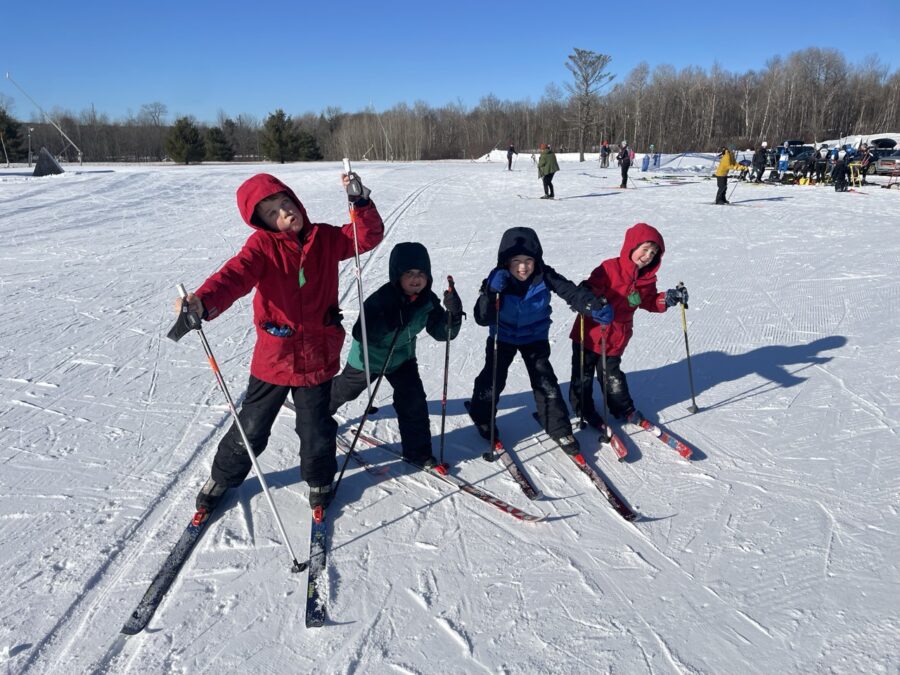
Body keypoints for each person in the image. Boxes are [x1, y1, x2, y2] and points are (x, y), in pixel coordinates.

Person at [180, 172, 384, 515]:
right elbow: (235, 275)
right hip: (275, 357)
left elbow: (366, 237)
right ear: (262, 223)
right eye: (273, 212)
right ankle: (222, 477)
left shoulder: (326, 238)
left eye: (285, 202)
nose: (285, 213)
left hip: (318, 355)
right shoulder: (262, 247)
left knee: (315, 427)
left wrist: (360, 202)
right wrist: (203, 300)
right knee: (252, 426)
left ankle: (320, 480)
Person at [468, 227, 613, 455]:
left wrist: (592, 306)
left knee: (545, 381)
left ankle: (559, 427)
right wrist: (490, 291)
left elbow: (572, 292)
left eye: (529, 260)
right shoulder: (497, 279)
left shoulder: (545, 275)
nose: (523, 266)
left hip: (534, 337)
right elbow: (481, 318)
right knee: (493, 378)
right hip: (503, 337)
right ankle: (482, 415)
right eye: (516, 260)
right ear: (506, 261)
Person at [329, 242, 463, 468]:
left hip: (402, 357)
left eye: (421, 273)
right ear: (396, 275)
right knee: (346, 390)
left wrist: (454, 314)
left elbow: (442, 334)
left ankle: (418, 453)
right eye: (408, 273)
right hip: (369, 358)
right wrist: (390, 322)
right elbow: (361, 333)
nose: (415, 279)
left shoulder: (427, 300)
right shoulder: (381, 298)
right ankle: (320, 409)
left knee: (414, 402)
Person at [568, 223, 687, 427]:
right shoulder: (609, 268)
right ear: (632, 246)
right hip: (589, 334)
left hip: (616, 338)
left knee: (612, 376)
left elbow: (648, 301)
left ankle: (623, 408)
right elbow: (592, 286)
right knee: (582, 374)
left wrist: (666, 299)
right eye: (645, 249)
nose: (648, 255)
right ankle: (582, 407)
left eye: (653, 252)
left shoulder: (647, 279)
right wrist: (586, 296)